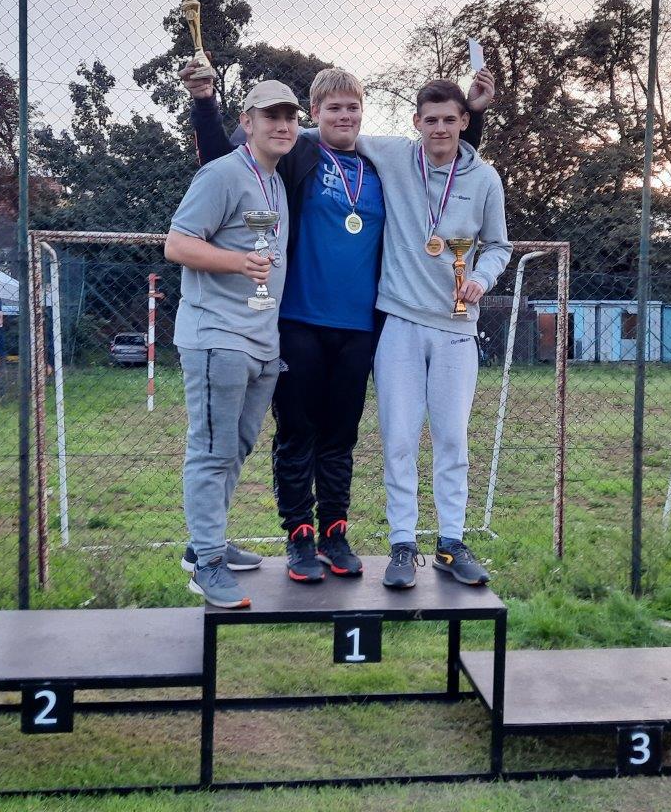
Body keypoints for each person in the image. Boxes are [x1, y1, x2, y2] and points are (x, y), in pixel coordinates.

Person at [181, 61, 493, 584]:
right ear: (315, 112)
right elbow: (222, 158)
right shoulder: (297, 153)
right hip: (299, 319)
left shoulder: (381, 163)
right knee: (298, 433)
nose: (344, 116)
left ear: (363, 112)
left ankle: (334, 532)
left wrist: (473, 115)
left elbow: (443, 158)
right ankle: (299, 535)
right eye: (333, 108)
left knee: (340, 435)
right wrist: (205, 103)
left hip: (361, 327)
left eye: (353, 107)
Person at [333, 79, 512, 589]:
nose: (439, 128)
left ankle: (451, 543)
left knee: (452, 439)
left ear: (464, 123)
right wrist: (261, 135)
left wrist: (481, 278)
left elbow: (498, 246)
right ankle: (402, 544)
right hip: (401, 322)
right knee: (399, 439)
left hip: (456, 326)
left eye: (449, 119)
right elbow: (332, 132)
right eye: (430, 120)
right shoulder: (394, 156)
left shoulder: (485, 179)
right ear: (416, 122)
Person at [163, 79, 300, 609]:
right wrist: (238, 262)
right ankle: (206, 563)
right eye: (270, 116)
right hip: (217, 335)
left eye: (289, 117)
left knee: (237, 446)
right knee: (211, 449)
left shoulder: (275, 180)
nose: (282, 125)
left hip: (261, 340)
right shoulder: (221, 174)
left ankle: (207, 544)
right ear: (247, 122)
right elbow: (177, 244)